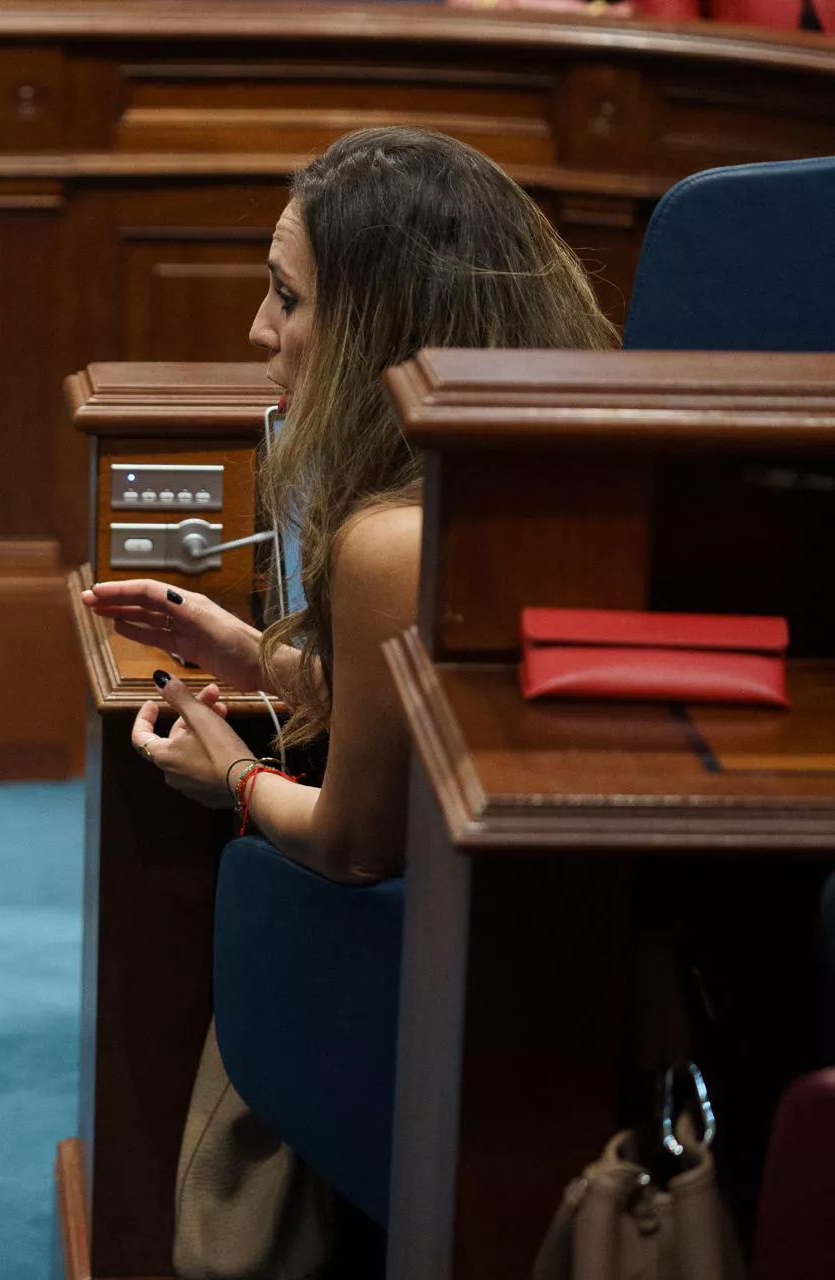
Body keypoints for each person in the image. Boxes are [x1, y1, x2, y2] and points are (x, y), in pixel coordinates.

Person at [84, 125, 618, 881]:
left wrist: (235, 776)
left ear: (385, 329)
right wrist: (259, 660)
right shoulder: (575, 478)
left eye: (289, 297)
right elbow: (444, 719)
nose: (259, 328)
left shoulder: (392, 539)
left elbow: (353, 846)